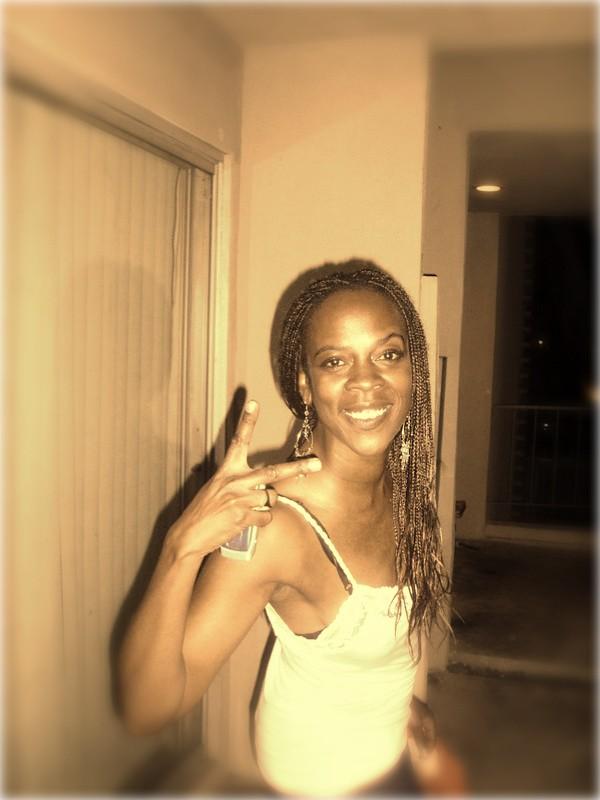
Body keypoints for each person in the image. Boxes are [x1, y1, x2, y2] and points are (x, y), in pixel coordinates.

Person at [118, 259, 450, 796]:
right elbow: (145, 712)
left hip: (391, 756)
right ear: (305, 386)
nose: (366, 381)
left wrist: (403, 701)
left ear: (413, 369)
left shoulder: (404, 486)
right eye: (335, 361)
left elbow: (375, 639)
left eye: (388, 354)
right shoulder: (275, 526)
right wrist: (180, 548)